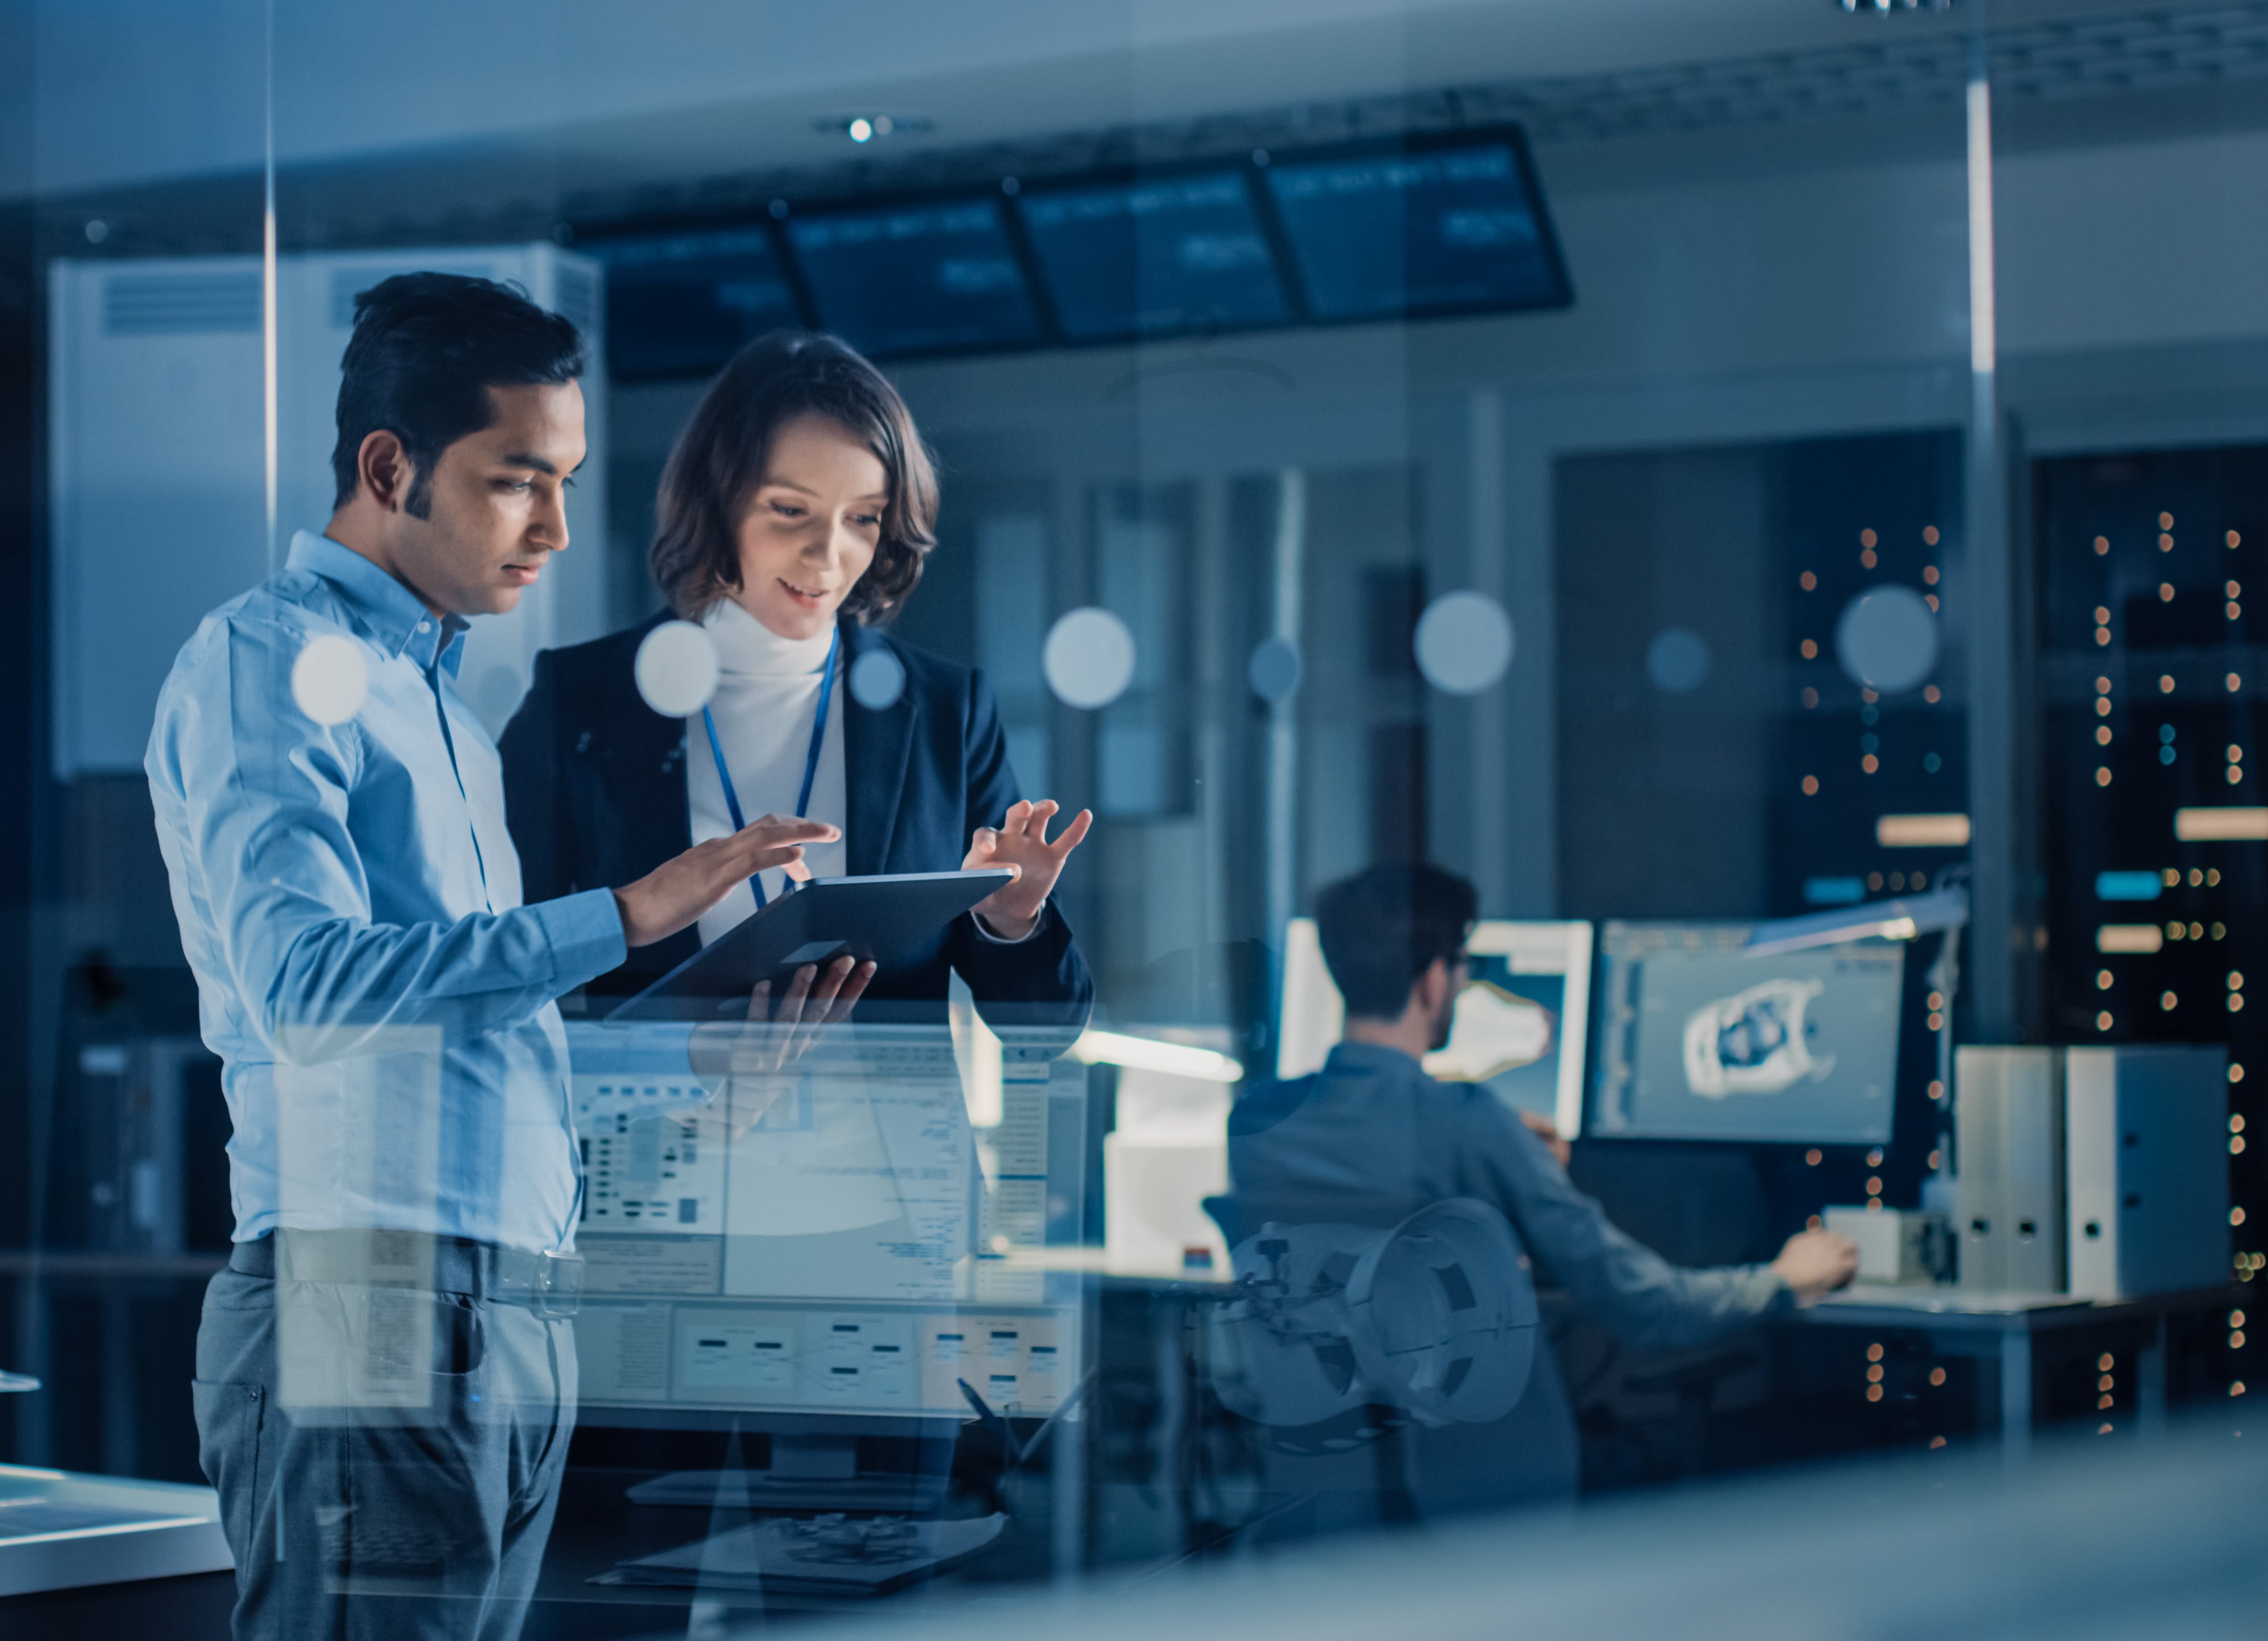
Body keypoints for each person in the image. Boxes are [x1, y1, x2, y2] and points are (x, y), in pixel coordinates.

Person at [149, 274, 866, 1641]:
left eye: (567, 480)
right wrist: (635, 910)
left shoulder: (442, 706)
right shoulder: (265, 660)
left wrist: (689, 1084)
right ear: (387, 467)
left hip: (504, 1314)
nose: (552, 526)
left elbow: (467, 1033)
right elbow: (308, 987)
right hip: (364, 1299)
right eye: (514, 481)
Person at [1223, 862, 1858, 1524]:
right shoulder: (1467, 1124)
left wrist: (1505, 1165)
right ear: (1436, 979)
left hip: (1327, 1496)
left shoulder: (1256, 1128)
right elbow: (1642, 1304)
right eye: (1463, 965)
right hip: (1484, 1504)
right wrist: (1783, 1279)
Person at [501, 330, 1091, 1027]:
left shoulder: (943, 712)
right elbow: (502, 972)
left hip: (885, 1135)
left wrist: (1012, 919)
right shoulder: (581, 701)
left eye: (863, 519)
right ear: (719, 502)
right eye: (790, 510)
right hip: (659, 1131)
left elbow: (1043, 1031)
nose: (828, 555)